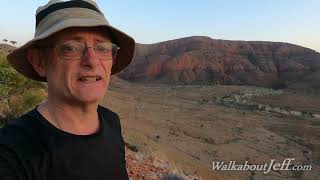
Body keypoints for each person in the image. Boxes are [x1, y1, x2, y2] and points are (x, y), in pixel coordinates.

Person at [0, 0, 135, 179]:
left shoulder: (111, 121)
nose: (92, 61)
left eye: (102, 47)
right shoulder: (11, 151)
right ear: (39, 61)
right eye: (71, 48)